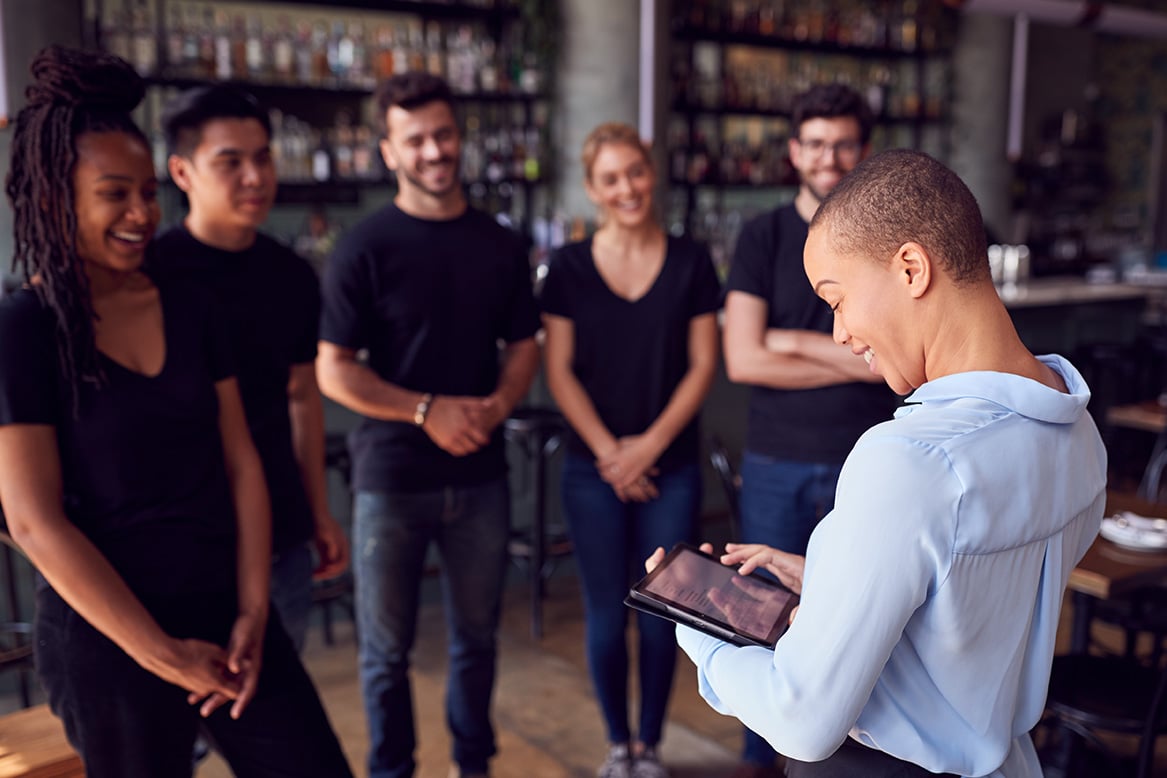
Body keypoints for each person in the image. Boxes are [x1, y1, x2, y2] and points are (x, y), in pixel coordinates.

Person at [651, 149, 1107, 777]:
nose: (839, 333)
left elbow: (802, 720)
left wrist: (699, 631)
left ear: (911, 268)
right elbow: (975, 609)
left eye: (836, 300)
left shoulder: (909, 460)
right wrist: (841, 579)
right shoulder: (1076, 427)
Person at [0, 45, 353, 777]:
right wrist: (163, 655)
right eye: (114, 194)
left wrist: (254, 612)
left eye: (147, 192)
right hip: (110, 639)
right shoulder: (24, 328)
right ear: (48, 198)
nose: (140, 214)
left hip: (226, 610)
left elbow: (241, 461)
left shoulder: (189, 305)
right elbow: (35, 521)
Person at [317, 71, 541, 778]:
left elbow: (524, 346)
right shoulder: (363, 247)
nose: (434, 151)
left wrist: (497, 407)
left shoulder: (500, 244)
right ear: (389, 151)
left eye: (443, 134)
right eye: (414, 140)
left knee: (476, 641)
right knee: (385, 652)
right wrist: (425, 410)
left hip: (479, 475)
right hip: (390, 477)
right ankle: (392, 771)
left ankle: (471, 766)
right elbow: (334, 369)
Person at [720, 82, 899, 777]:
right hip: (776, 460)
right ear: (794, 151)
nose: (829, 157)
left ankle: (840, 752)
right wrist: (851, 358)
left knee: (857, 619)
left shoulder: (883, 241)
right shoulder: (761, 235)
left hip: (869, 462)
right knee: (760, 615)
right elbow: (741, 356)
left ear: (863, 150)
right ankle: (757, 759)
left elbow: (886, 366)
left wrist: (788, 344)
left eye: (844, 143)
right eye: (816, 143)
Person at [540, 122, 720, 778]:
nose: (627, 188)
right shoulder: (566, 267)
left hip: (668, 467)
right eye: (610, 179)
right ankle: (618, 747)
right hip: (594, 472)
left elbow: (703, 366)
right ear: (591, 190)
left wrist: (646, 450)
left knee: (662, 615)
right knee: (603, 612)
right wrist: (612, 456)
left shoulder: (691, 260)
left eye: (635, 173)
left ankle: (651, 748)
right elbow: (557, 370)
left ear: (652, 173)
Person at [152, 84, 349, 655]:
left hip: (279, 531)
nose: (255, 177)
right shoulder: (153, 273)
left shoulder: (288, 274)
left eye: (262, 157)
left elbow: (301, 398)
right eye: (230, 162)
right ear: (182, 172)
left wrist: (319, 511)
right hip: (183, 535)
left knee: (273, 709)